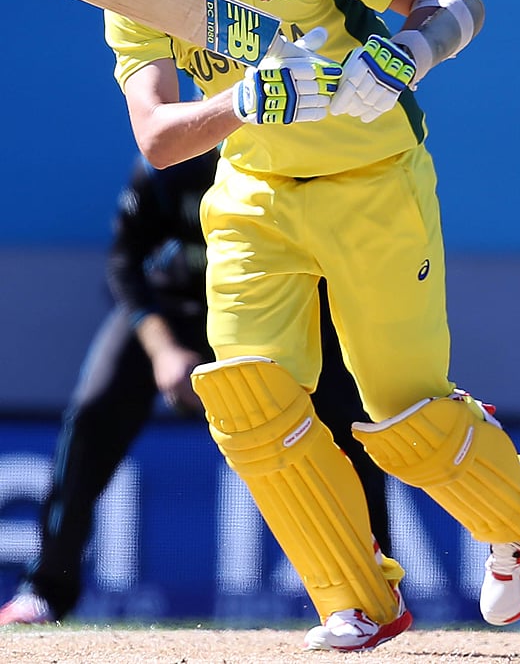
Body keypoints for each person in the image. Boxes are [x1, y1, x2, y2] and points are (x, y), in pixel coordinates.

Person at [104, 0, 520, 653]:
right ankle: (357, 597)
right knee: (246, 402)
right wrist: (249, 102)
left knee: (400, 412)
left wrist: (404, 59)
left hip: (373, 179)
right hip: (253, 200)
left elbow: (454, 7)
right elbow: (161, 139)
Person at [0, 150, 391, 626]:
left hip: (282, 312)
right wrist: (163, 349)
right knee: (92, 412)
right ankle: (45, 591)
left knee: (348, 426)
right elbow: (124, 263)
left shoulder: (300, 154)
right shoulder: (172, 161)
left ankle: (377, 589)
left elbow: (349, 263)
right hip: (179, 310)